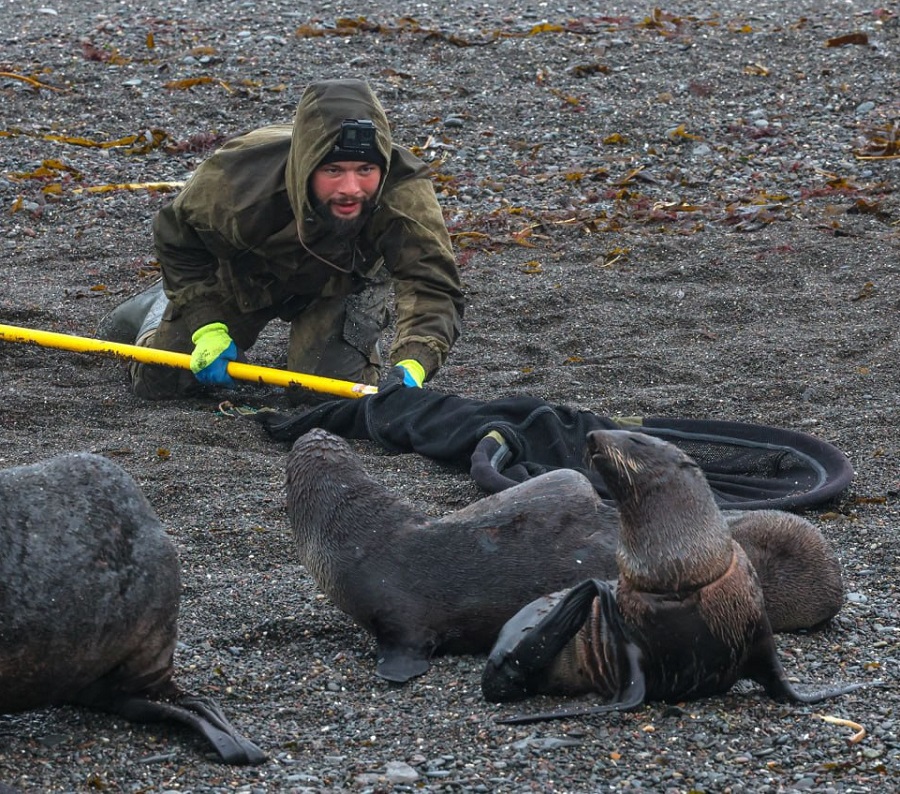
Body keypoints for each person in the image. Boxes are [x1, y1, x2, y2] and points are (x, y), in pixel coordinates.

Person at [98, 77, 464, 401]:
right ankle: (156, 306)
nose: (351, 188)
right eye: (333, 170)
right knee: (161, 384)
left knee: (324, 397)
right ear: (307, 166)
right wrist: (206, 324)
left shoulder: (403, 192)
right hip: (247, 269)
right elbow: (177, 237)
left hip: (345, 282)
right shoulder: (236, 179)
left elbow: (431, 283)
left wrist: (414, 363)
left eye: (365, 169)